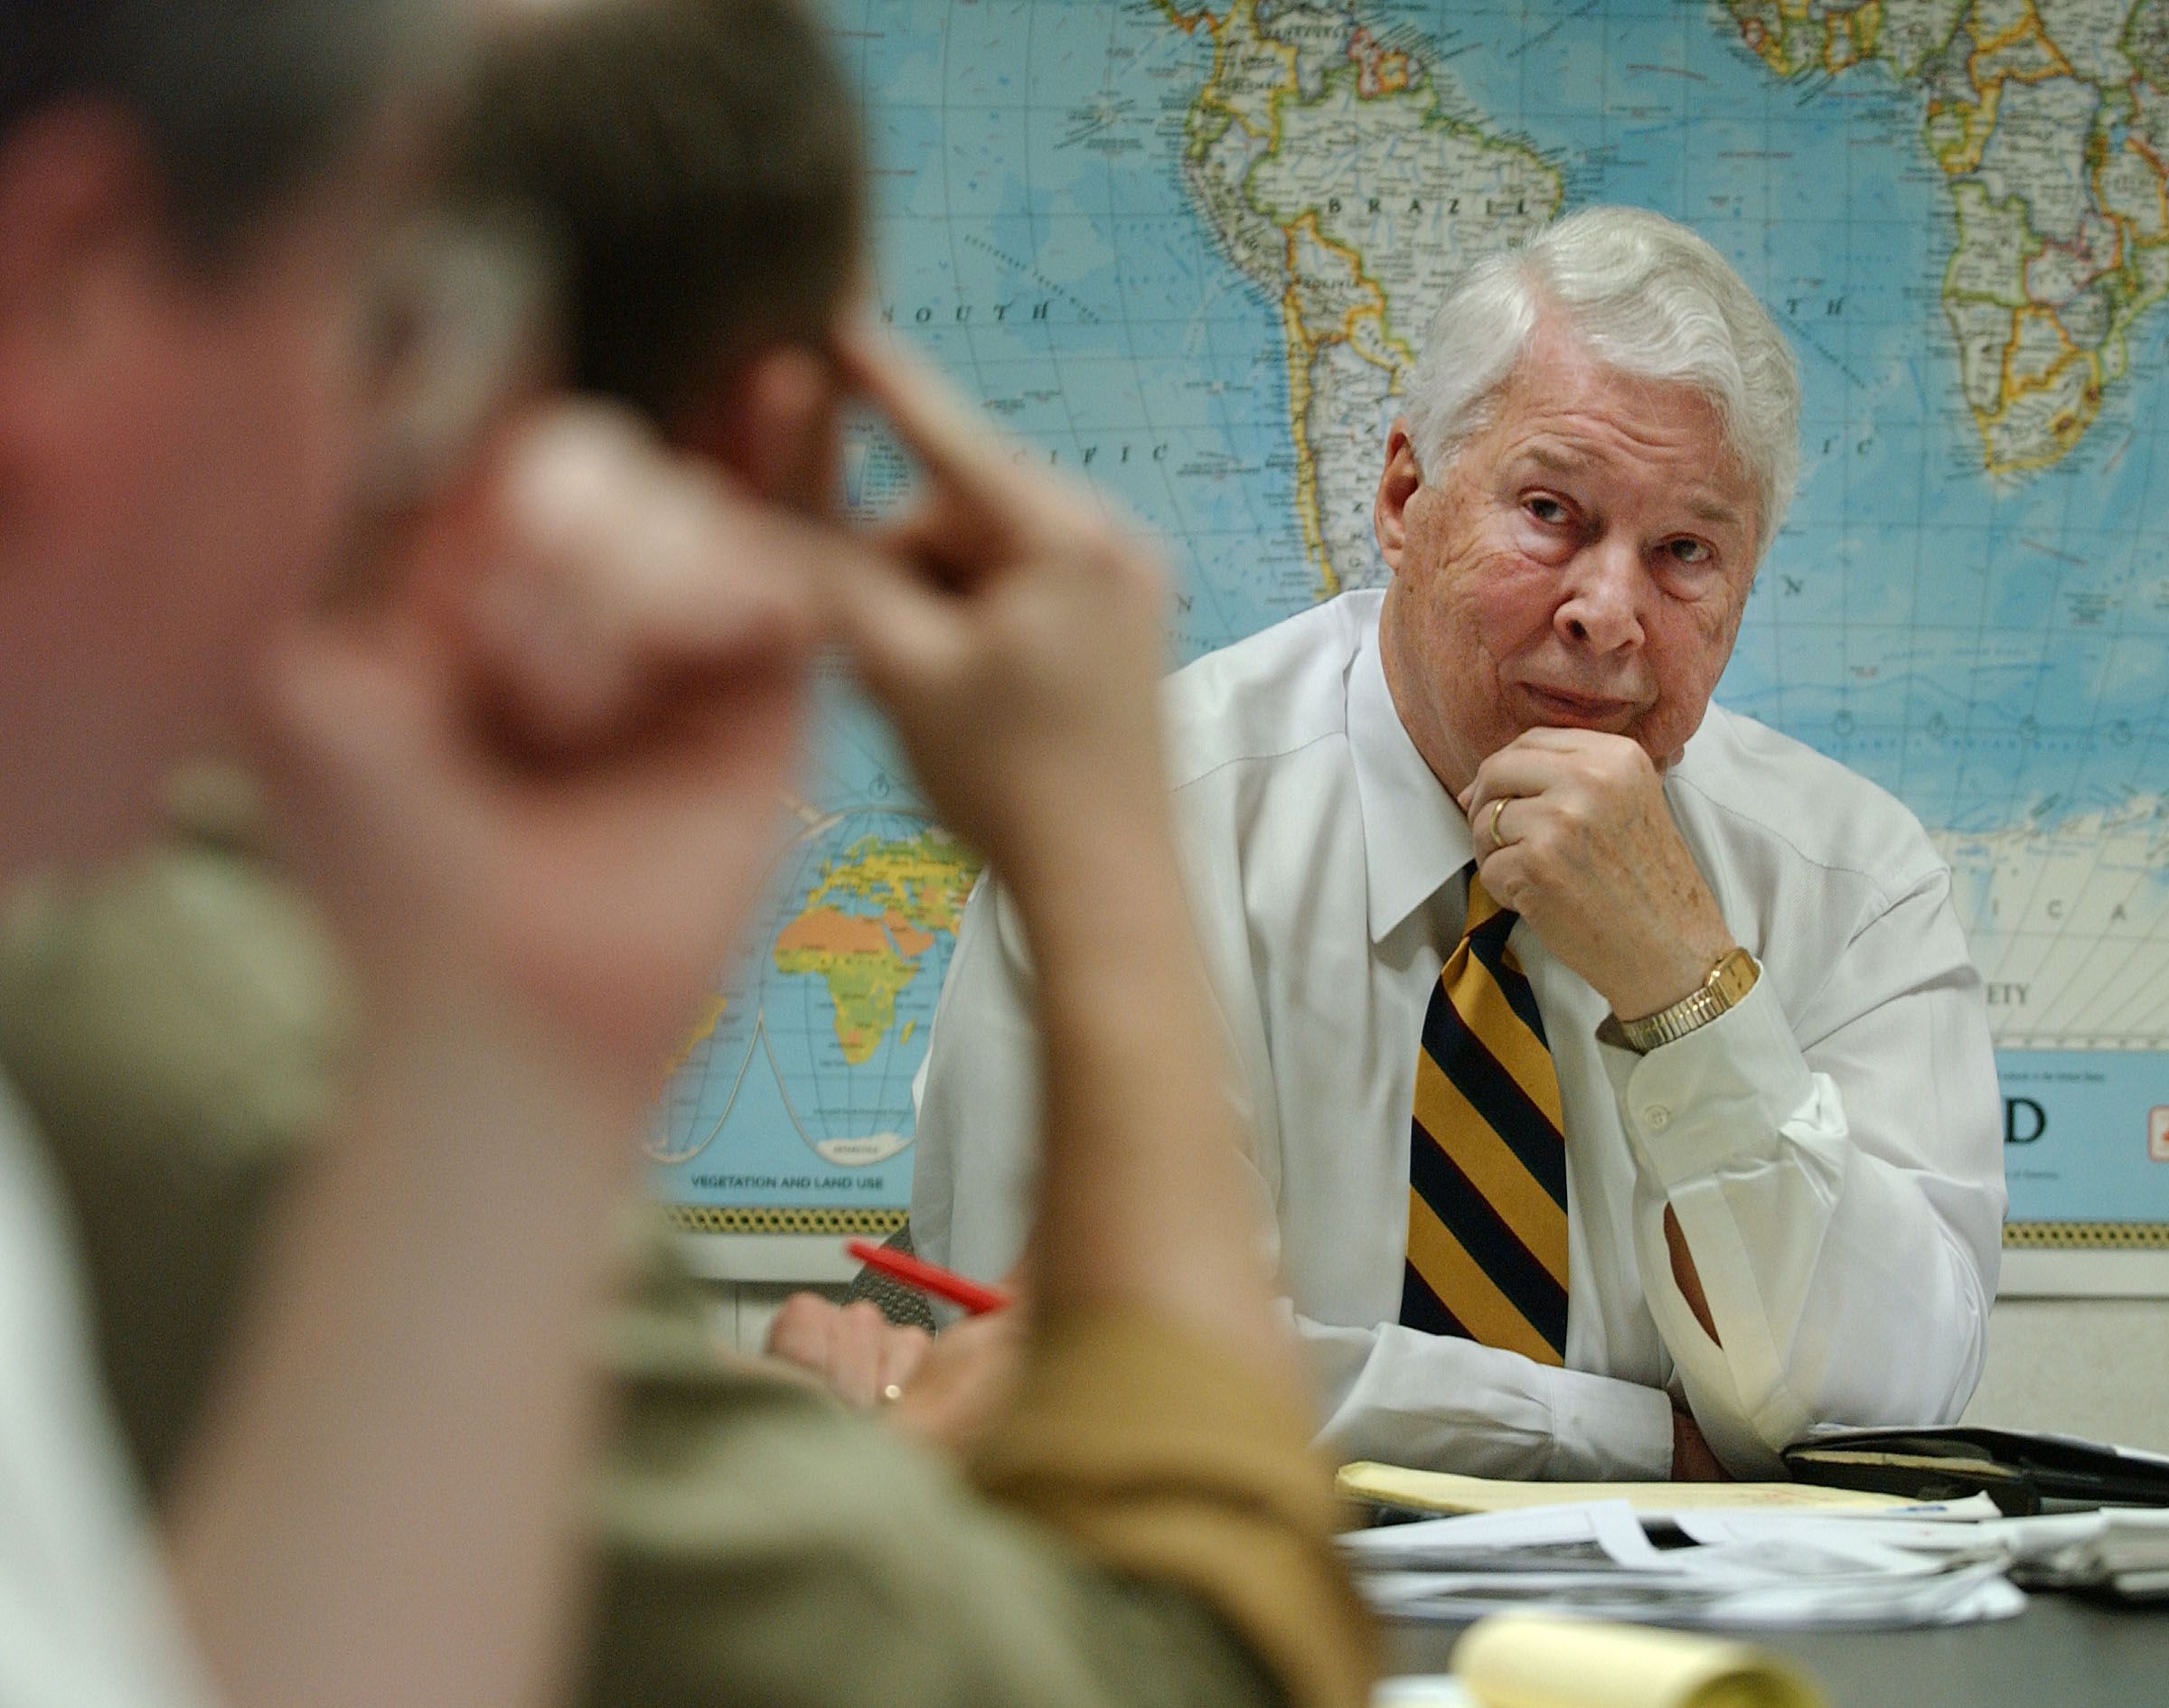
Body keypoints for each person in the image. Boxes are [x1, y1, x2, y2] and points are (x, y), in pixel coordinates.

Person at [0, 3, 1374, 1705]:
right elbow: (1189, 1680)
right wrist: (1099, 843)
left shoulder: (321, 1023)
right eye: (362, 315)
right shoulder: (222, 1054)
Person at [905, 206, 2007, 1483]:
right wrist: (1629, 1438)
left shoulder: (1851, 879)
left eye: (1685, 552)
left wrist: (1689, 995)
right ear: (1402, 496)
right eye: (1551, 511)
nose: (1609, 612)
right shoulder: (1132, 824)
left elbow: (1893, 1399)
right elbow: (1085, 1362)